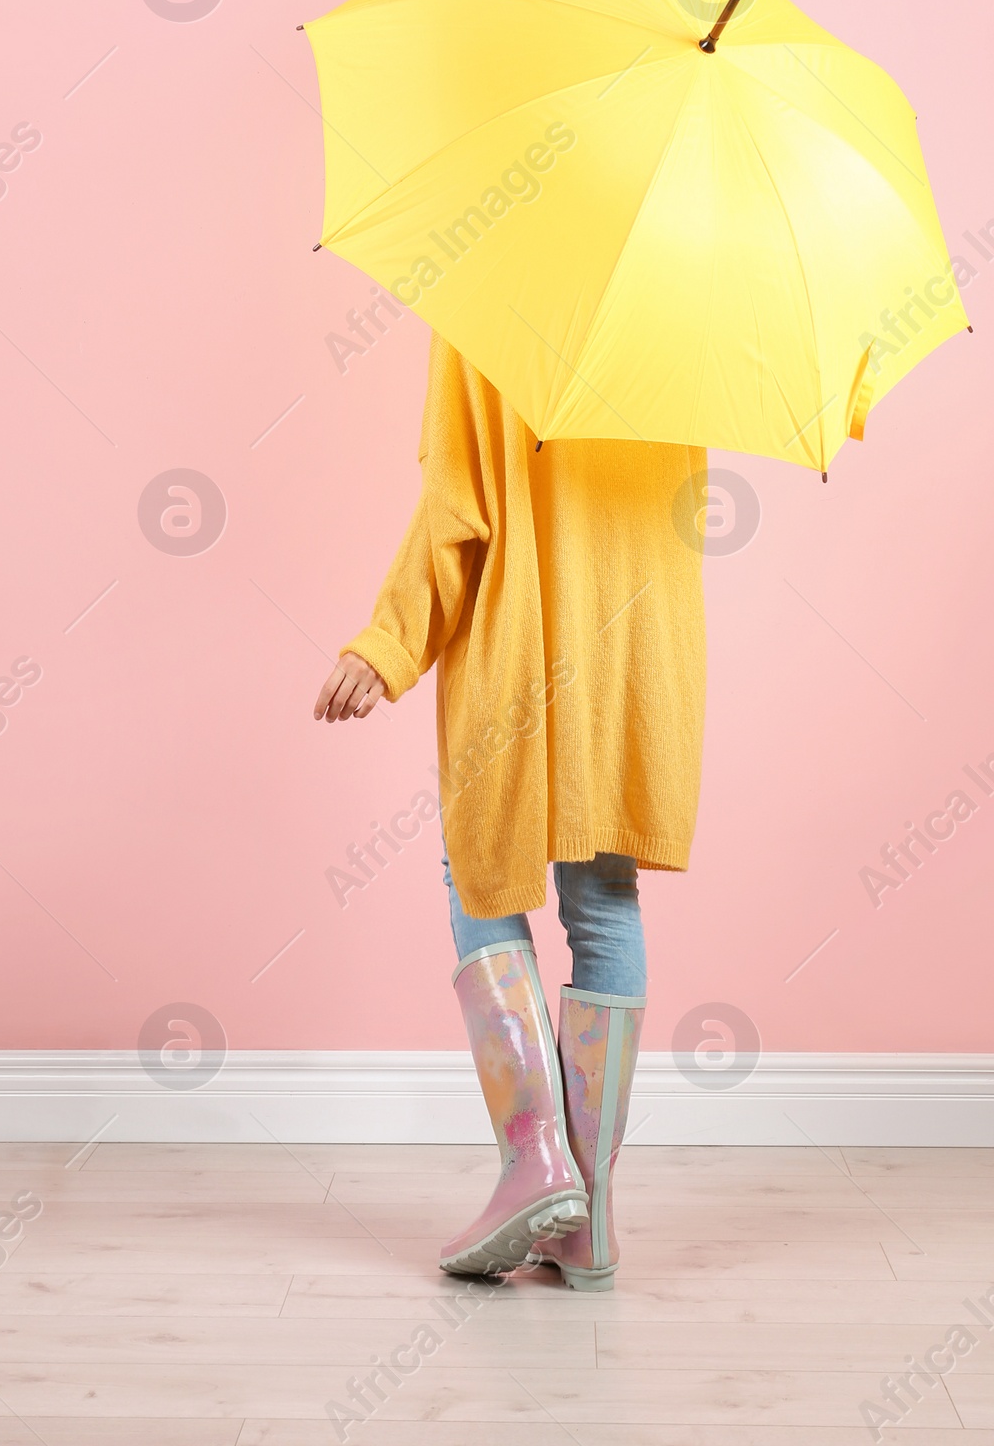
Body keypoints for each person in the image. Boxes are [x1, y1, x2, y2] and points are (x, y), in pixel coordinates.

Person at [314, 331, 708, 1289]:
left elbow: (458, 510)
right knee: (605, 898)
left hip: (523, 642)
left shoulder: (492, 313)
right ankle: (590, 1217)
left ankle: (537, 1163)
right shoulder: (678, 320)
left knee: (478, 871)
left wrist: (386, 642)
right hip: (638, 656)